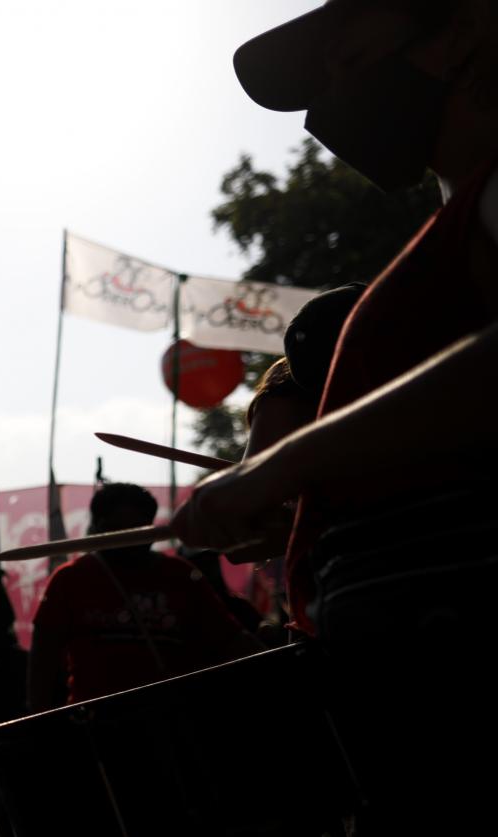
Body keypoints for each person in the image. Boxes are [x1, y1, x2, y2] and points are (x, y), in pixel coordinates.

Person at [175, 1, 498, 828]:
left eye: (347, 60)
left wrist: (286, 465)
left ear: (460, 27)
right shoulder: (450, 235)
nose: (329, 105)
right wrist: (299, 498)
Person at [27, 484, 261, 714]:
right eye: (116, 529)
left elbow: (229, 639)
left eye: (136, 529)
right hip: (95, 722)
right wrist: (39, 721)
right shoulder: (71, 579)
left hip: (173, 717)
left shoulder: (179, 575)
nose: (126, 541)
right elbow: (43, 656)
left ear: (151, 529)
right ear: (97, 527)